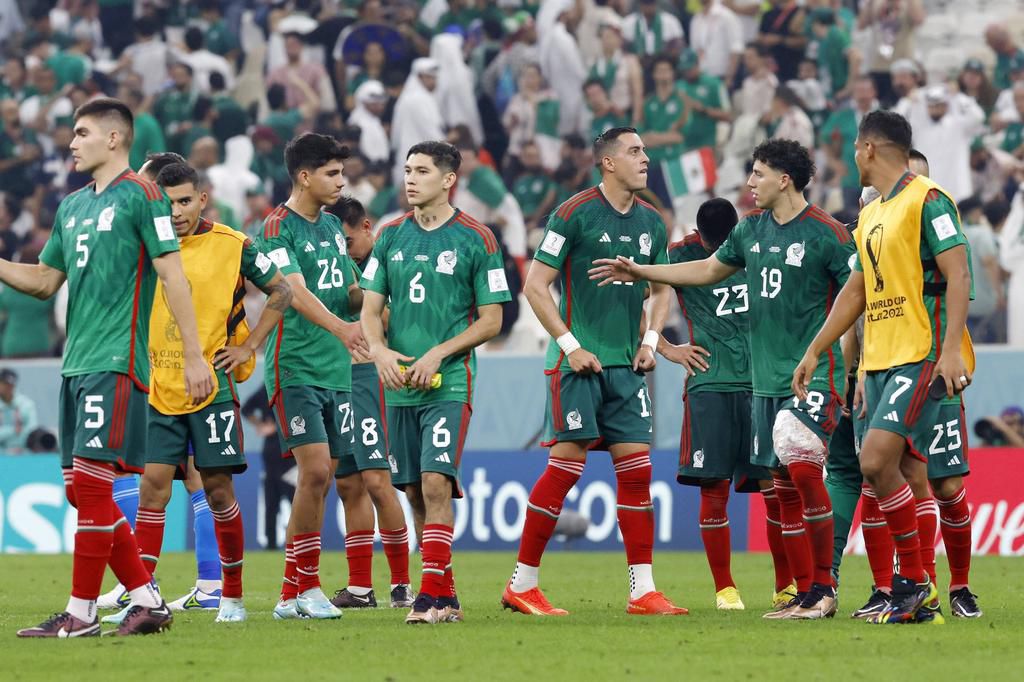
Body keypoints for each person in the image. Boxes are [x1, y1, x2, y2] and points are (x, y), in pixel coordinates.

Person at [592, 138, 855, 620]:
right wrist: (642, 270)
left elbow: (856, 290)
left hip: (813, 376)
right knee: (782, 480)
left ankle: (821, 586)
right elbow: (708, 269)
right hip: (763, 385)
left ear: (785, 179)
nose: (749, 183)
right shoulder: (750, 231)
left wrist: (828, 352)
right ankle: (806, 593)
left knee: (799, 470)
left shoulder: (828, 234)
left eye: (757, 174)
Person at [6, 97, 213, 637]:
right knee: (80, 491)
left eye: (80, 133)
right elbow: (45, 281)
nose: (71, 143)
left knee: (94, 488)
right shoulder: (71, 206)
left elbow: (172, 275)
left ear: (114, 138)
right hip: (75, 366)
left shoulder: (143, 197)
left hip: (115, 362)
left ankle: (81, 613)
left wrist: (194, 356)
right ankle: (147, 598)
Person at [792, 110, 977, 623]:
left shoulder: (930, 200)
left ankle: (917, 584)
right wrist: (815, 349)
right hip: (879, 360)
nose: (853, 157)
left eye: (855, 148)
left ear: (870, 148)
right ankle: (920, 597)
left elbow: (958, 273)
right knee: (903, 472)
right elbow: (855, 293)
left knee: (875, 462)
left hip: (920, 352)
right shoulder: (871, 217)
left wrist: (953, 349)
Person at [501, 127, 684, 618]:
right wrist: (570, 345)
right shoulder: (573, 212)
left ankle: (643, 591)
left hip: (626, 367)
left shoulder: (652, 221)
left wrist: (649, 341)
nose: (645, 158)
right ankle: (522, 584)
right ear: (608, 163)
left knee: (638, 473)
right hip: (576, 364)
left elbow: (662, 286)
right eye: (635, 151)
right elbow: (536, 286)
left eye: (645, 150)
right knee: (564, 470)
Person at [103, 161, 291, 625]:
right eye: (167, 204)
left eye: (185, 201)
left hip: (213, 388)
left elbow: (281, 291)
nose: (177, 212)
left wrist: (249, 344)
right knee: (152, 490)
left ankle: (230, 596)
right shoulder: (143, 243)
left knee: (219, 489)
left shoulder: (233, 244)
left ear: (202, 198)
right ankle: (144, 599)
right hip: (157, 387)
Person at [360, 140, 511, 624]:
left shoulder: (477, 238)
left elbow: (492, 320)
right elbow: (368, 310)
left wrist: (439, 352)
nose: (409, 179)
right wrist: (380, 349)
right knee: (413, 493)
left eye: (421, 171)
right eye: (406, 170)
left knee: (435, 480)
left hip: (449, 383)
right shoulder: (388, 235)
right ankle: (445, 595)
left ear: (448, 180)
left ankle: (426, 597)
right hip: (399, 386)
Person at [97, 152, 230, 614]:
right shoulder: (149, 238)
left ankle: (203, 582)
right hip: (158, 374)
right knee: (164, 478)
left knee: (195, 478)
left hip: (187, 377)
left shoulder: (210, 245)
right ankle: (156, 583)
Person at [663, 198, 794, 611]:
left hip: (760, 384)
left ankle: (784, 585)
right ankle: (726, 588)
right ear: (700, 236)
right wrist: (668, 347)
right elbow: (636, 298)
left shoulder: (754, 247)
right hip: (713, 384)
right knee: (717, 488)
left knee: (773, 488)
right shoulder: (679, 254)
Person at [258, 133, 368, 621]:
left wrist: (392, 294)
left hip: (335, 371)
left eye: (342, 174)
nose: (341, 183)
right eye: (332, 174)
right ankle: (305, 586)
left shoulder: (328, 228)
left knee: (322, 481)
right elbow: (291, 292)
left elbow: (349, 292)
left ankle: (291, 591)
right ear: (304, 176)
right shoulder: (277, 226)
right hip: (296, 365)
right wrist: (345, 329)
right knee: (318, 471)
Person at [326, 196, 414, 610]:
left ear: (366, 227)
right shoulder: (334, 262)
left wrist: (362, 299)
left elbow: (393, 318)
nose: (341, 249)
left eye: (346, 240)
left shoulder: (386, 261)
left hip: (369, 378)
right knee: (347, 484)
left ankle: (401, 585)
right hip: (337, 377)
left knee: (379, 480)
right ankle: (360, 586)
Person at [0, 367, 37, 452]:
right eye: (4, 383)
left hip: (24, 452)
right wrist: (13, 431)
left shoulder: (26, 404)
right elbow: (22, 432)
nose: (8, 387)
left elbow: (32, 432)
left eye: (10, 384)